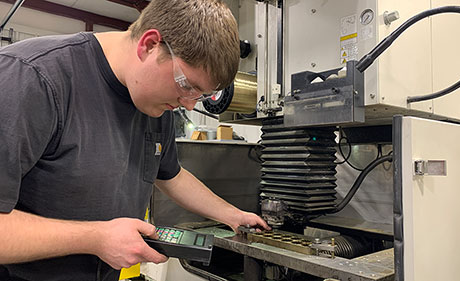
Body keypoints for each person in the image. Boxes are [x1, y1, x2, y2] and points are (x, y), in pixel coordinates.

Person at [0, 0, 270, 280]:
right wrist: (95, 238)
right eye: (187, 85)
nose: (189, 105)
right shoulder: (32, 78)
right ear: (150, 45)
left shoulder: (155, 102)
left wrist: (232, 215)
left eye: (199, 95)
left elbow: (170, 176)